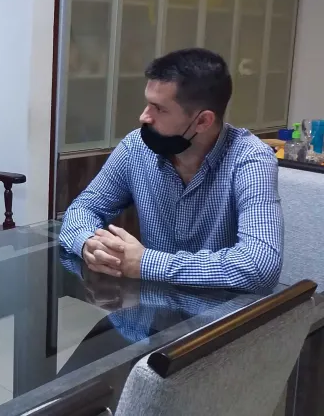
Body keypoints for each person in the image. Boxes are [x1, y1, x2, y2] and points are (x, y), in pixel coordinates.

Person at [58, 48, 283, 292]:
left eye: (159, 109)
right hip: (152, 302)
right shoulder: (136, 147)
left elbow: (260, 267)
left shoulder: (250, 159)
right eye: (148, 103)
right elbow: (83, 209)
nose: (144, 117)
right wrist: (88, 243)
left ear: (202, 121)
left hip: (223, 308)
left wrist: (146, 264)